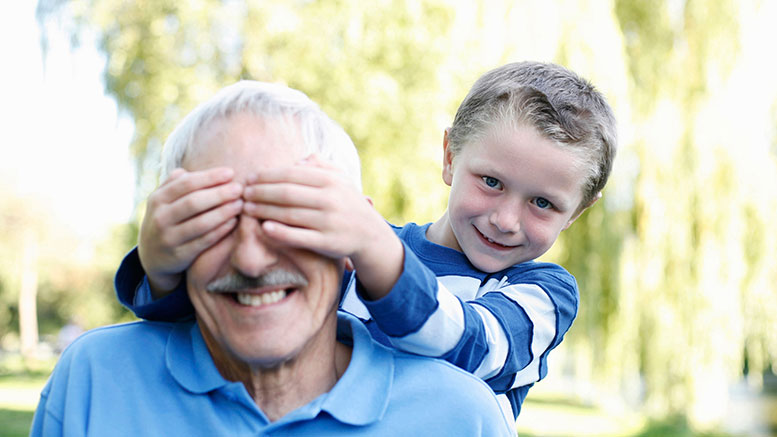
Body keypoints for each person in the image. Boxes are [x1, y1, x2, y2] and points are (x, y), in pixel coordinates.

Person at [114, 61, 618, 423]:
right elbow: (248, 313)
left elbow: (472, 346)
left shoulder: (544, 292)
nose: (506, 219)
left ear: (578, 210)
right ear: (449, 157)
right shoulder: (371, 252)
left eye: (543, 204)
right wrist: (160, 268)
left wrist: (375, 251)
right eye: (490, 181)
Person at [30, 81, 514, 436]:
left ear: (356, 240)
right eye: (214, 219)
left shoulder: (462, 419)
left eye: (289, 216)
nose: (252, 259)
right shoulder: (93, 378)